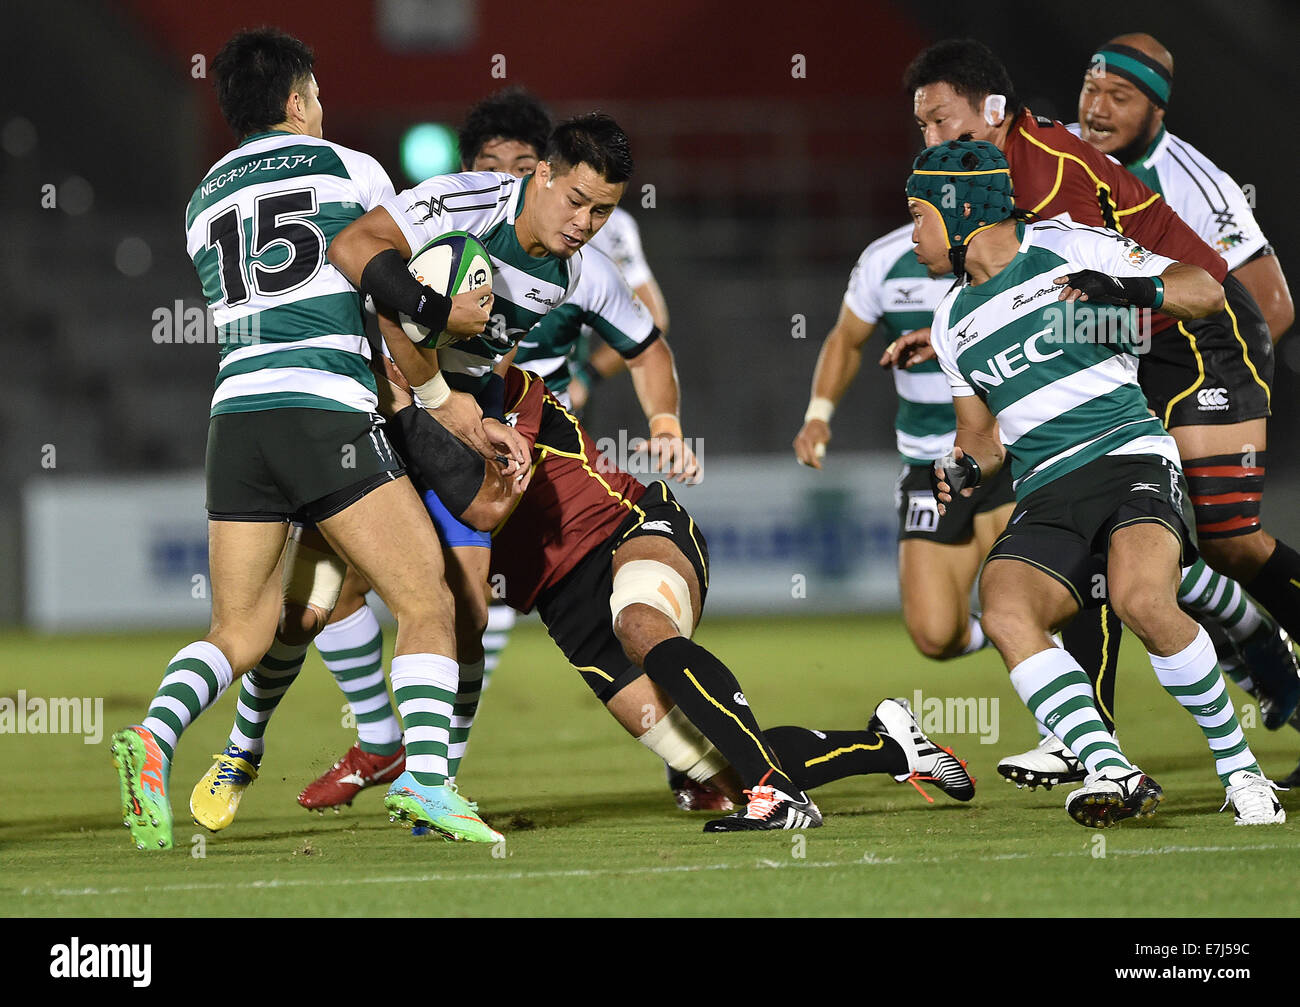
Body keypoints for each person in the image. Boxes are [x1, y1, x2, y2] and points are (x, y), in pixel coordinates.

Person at [110, 27, 494, 851]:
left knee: (238, 632)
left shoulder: (201, 197)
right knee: (428, 601)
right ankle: (427, 781)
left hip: (235, 422)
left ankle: (156, 736)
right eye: (315, 94)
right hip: (325, 410)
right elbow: (389, 291)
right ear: (295, 100)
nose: (322, 106)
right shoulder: (352, 170)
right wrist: (440, 337)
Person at [893, 38, 1300, 784]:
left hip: (1199, 331)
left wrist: (1006, 343)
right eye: (920, 126)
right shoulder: (994, 176)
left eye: (939, 121)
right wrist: (964, 337)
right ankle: (1214, 676)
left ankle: (1215, 672)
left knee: (1221, 537)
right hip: (1139, 338)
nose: (930, 140)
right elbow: (1036, 299)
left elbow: (1102, 291)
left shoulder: (1049, 177)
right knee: (1136, 525)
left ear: (991, 111)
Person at [403, 363, 977, 831]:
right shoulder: (395, 449)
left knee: (641, 625)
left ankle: (777, 795)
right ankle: (892, 747)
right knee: (725, 772)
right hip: (563, 609)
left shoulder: (506, 388)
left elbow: (493, 496)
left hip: (628, 530)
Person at [1072, 33, 1300, 780]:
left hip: (1204, 356)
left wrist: (1123, 326)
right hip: (1120, 363)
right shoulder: (1059, 159)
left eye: (1120, 97)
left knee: (1230, 542)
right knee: (1116, 535)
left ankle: (1268, 657)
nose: (1097, 110)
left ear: (1157, 109)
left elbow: (1270, 306)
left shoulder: (1199, 185)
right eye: (1091, 89)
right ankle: (1088, 741)